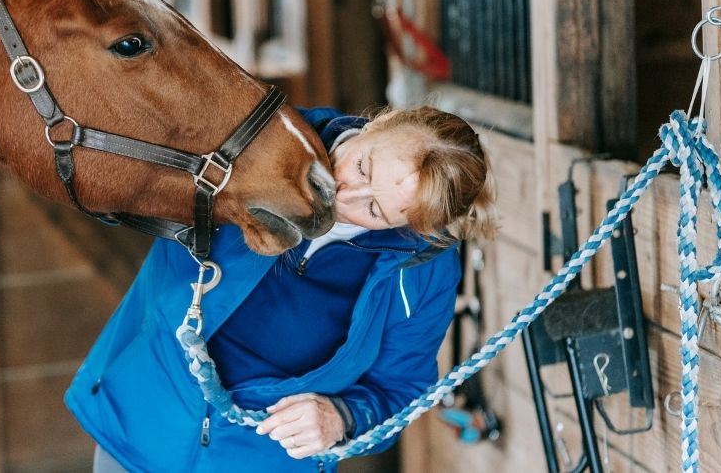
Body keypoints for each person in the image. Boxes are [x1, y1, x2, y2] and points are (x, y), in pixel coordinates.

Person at [65, 104, 498, 472]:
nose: (345, 196)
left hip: (261, 458)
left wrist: (341, 418)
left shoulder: (424, 271)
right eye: (363, 165)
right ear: (375, 124)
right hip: (144, 415)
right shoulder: (259, 135)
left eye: (375, 210)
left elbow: (400, 388)